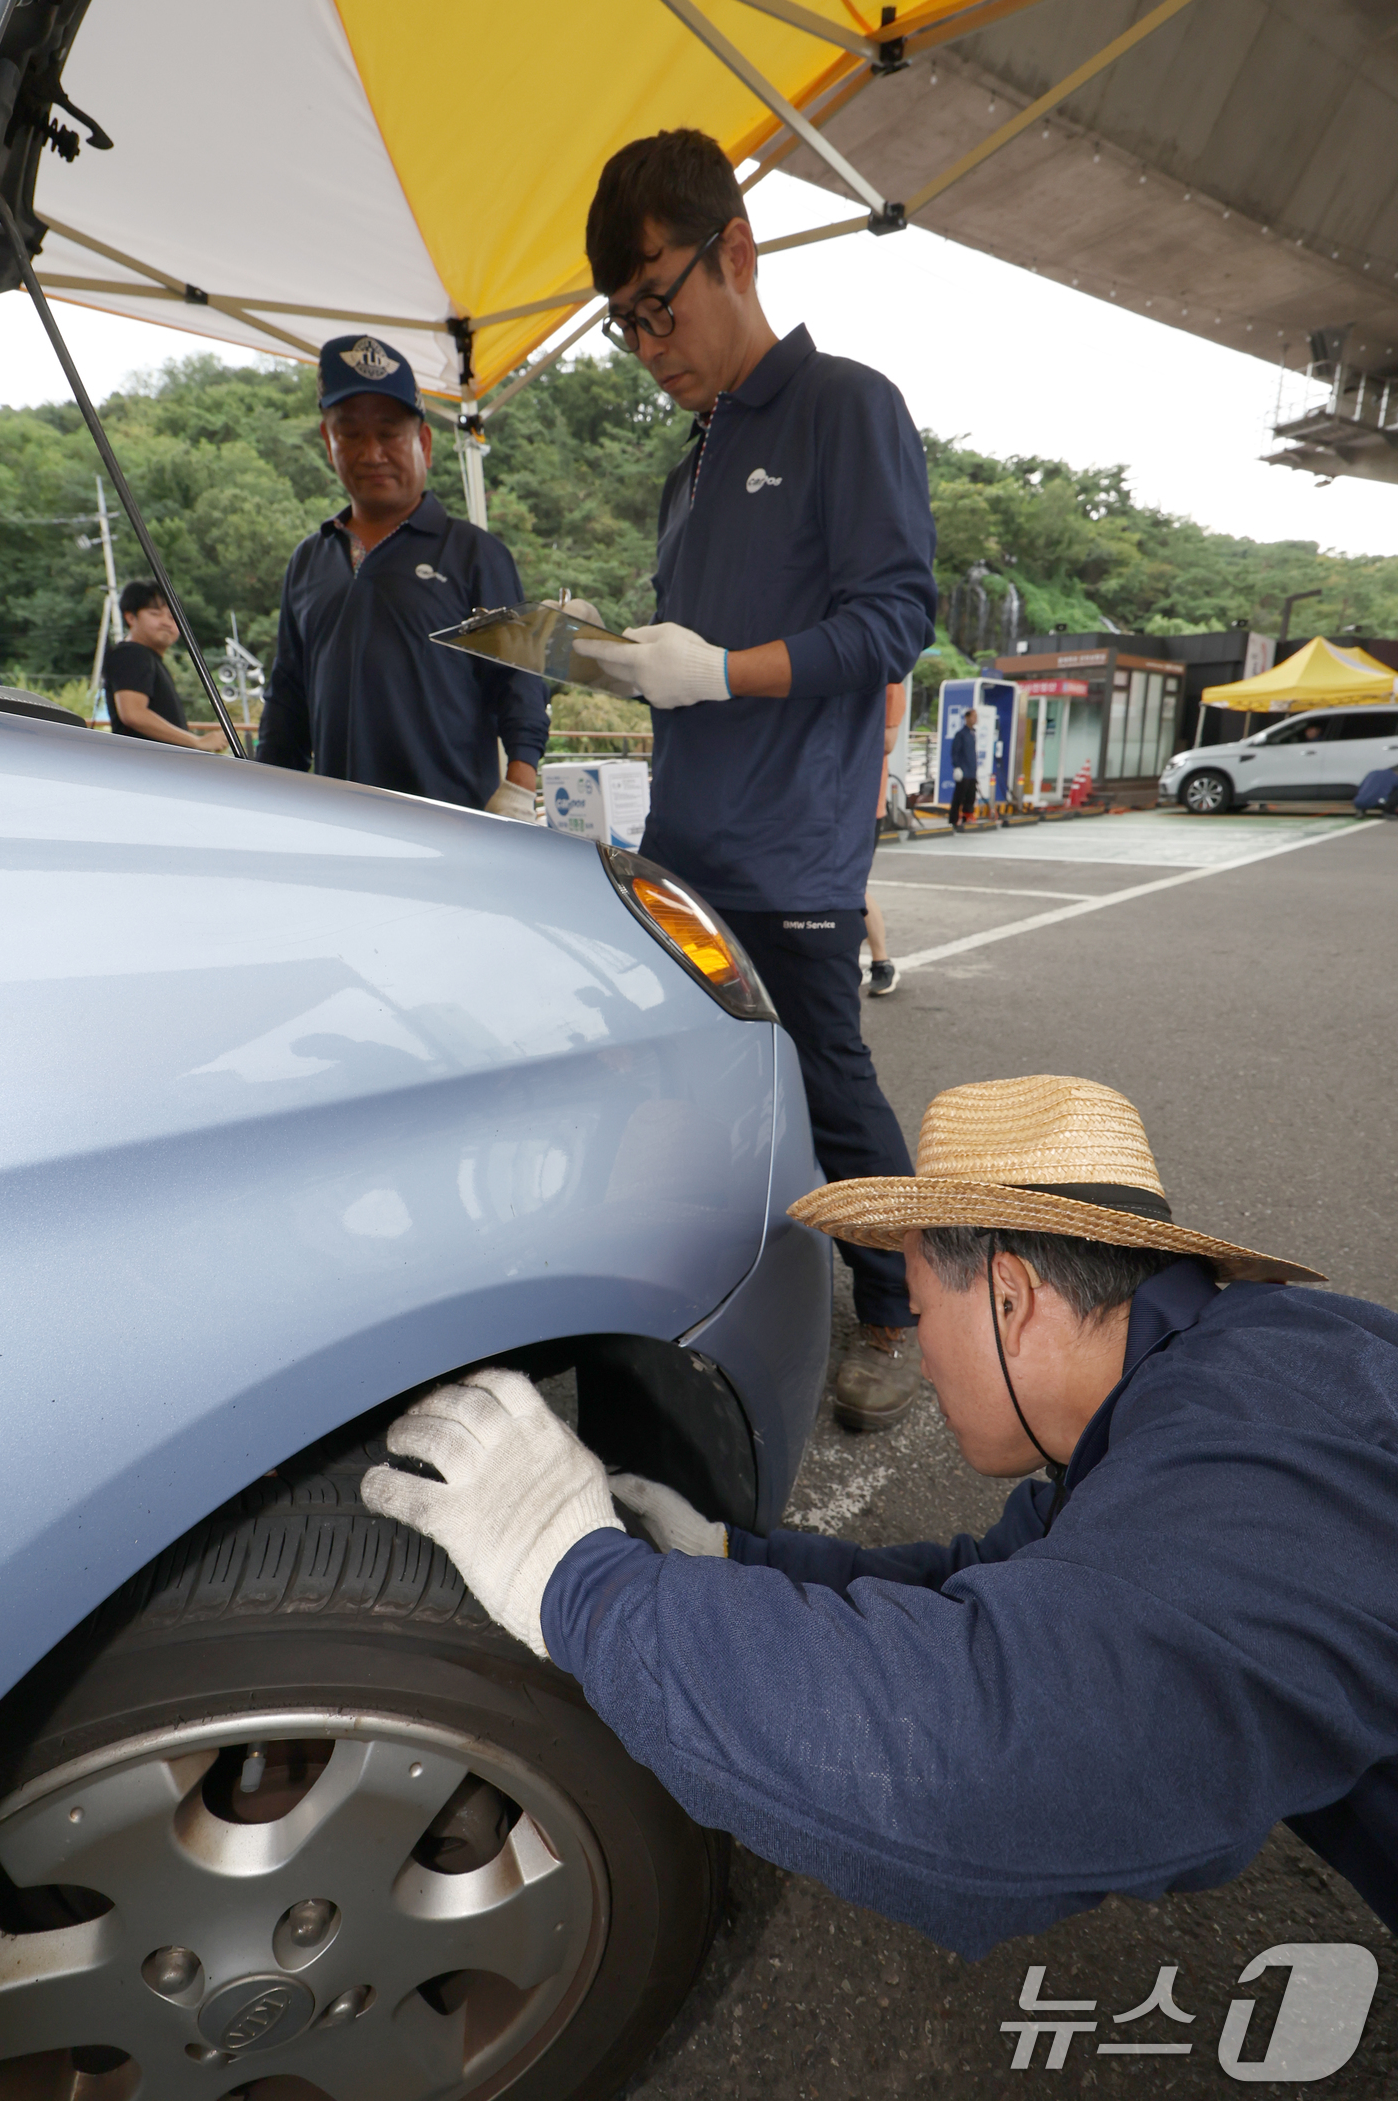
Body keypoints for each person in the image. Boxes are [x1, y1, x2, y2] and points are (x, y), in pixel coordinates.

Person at [362, 1074, 1398, 1958]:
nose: (900, 1332)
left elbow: (986, 1760)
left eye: (907, 1296)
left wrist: (578, 1583)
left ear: (1008, 1297)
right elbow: (984, 1592)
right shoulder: (1207, 1389)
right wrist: (724, 1556)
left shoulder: (1261, 1450)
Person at [572, 130, 938, 1429]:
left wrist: (723, 671)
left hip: (794, 849)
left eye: (657, 302)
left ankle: (895, 1306)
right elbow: (699, 656)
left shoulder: (848, 408)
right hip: (690, 837)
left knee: (834, 1088)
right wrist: (632, 663)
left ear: (736, 249)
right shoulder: (691, 469)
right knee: (706, 1091)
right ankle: (729, 1299)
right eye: (625, 324)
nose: (650, 342)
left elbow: (894, 620)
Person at [256, 335, 548, 816]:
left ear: (424, 443)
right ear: (329, 443)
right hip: (337, 828)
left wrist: (517, 790)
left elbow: (520, 684)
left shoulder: (477, 554)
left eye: (389, 433)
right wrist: (265, 798)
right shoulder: (308, 560)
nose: (371, 453)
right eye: (349, 433)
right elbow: (287, 699)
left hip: (455, 828)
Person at [104, 581, 226, 751]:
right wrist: (197, 741)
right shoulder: (131, 653)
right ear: (131, 617)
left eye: (172, 616)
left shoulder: (147, 657)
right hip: (145, 768)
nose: (166, 622)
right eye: (155, 614)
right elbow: (133, 714)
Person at [863, 680, 907, 996]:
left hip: (864, 803)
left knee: (852, 886)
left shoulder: (890, 683)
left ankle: (882, 962)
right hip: (827, 798)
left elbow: (887, 742)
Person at [948, 704, 978, 828]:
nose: (976, 719)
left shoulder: (973, 733)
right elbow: (955, 752)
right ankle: (953, 818)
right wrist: (957, 766)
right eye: (974, 717)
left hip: (972, 770)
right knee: (959, 795)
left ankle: (967, 816)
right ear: (967, 718)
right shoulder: (961, 734)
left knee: (971, 795)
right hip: (963, 770)